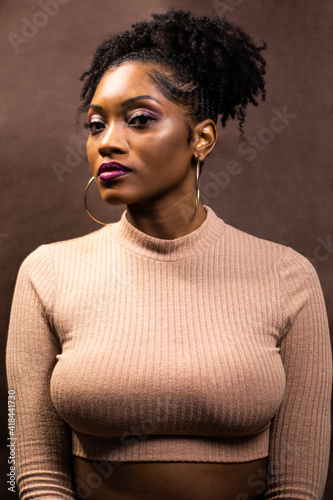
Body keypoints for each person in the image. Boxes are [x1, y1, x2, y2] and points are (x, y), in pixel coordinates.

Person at [6, 9, 332, 500]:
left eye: (139, 120)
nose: (108, 142)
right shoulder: (46, 273)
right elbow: (24, 461)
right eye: (97, 125)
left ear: (201, 138)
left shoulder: (287, 276)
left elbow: (299, 482)